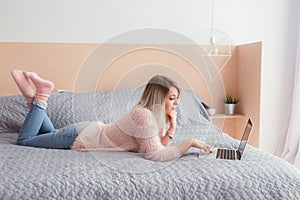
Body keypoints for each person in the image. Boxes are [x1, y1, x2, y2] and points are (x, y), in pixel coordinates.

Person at [11, 70, 210, 162]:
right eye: (172, 98)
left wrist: (172, 127)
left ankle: (32, 98)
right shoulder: (144, 117)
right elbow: (155, 155)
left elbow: (158, 145)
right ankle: (42, 95)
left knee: (52, 133)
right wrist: (190, 142)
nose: (176, 103)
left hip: (85, 130)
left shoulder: (150, 116)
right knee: (25, 140)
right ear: (159, 98)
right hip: (81, 137)